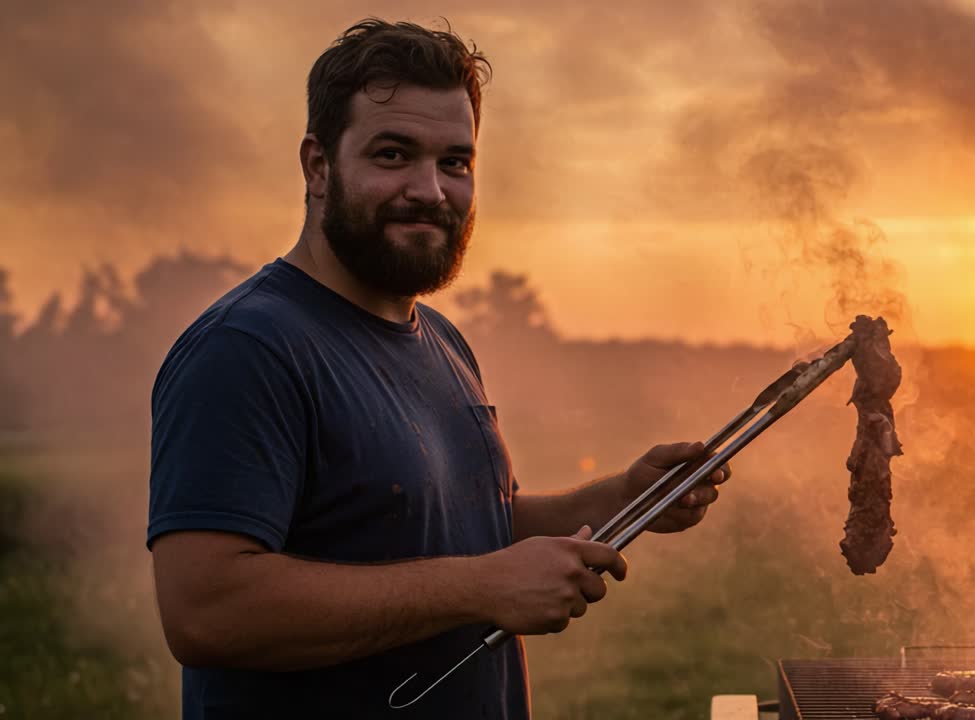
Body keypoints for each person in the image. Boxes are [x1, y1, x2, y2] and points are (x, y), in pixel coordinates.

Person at [147, 18, 730, 720]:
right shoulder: (247, 348)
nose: (431, 189)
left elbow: (463, 526)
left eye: (456, 162)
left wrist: (620, 498)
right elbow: (205, 611)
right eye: (393, 155)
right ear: (316, 165)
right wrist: (478, 588)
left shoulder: (443, 341)